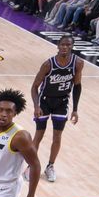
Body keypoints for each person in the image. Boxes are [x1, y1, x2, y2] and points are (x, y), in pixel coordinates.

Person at [29, 34, 83, 182]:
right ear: (58, 46)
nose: (65, 47)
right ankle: (31, 166)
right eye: (62, 44)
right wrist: (36, 105)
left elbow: (77, 86)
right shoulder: (48, 64)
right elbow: (34, 87)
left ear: (72, 47)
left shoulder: (78, 63)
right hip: (44, 101)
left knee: (57, 137)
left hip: (62, 102)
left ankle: (50, 166)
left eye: (68, 45)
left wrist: (75, 109)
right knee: (39, 135)